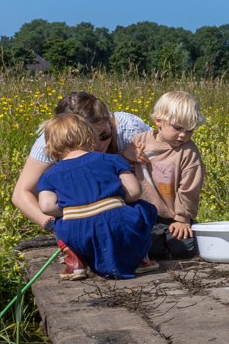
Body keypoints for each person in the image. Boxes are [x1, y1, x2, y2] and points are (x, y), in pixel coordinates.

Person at [12, 90, 153, 278]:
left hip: (77, 229)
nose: (99, 146)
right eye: (92, 140)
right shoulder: (50, 139)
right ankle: (138, 255)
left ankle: (74, 254)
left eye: (104, 135)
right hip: (119, 218)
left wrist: (70, 218)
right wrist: (53, 227)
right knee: (142, 209)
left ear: (111, 122)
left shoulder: (130, 127)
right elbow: (21, 193)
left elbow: (46, 205)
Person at [36, 114, 159, 279]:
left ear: (51, 144)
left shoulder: (48, 175)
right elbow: (135, 191)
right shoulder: (111, 159)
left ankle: (75, 262)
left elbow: (47, 207)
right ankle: (139, 259)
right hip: (119, 225)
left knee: (59, 222)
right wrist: (118, 202)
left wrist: (73, 209)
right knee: (144, 208)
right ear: (89, 135)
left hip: (78, 235)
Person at [132, 91, 205, 259]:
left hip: (173, 215)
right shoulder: (139, 141)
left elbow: (189, 188)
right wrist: (127, 154)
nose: (183, 135)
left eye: (190, 130)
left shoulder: (188, 151)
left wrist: (183, 218)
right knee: (151, 250)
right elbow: (124, 168)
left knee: (185, 250)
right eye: (177, 128)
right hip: (145, 214)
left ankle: (187, 231)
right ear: (159, 121)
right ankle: (162, 244)